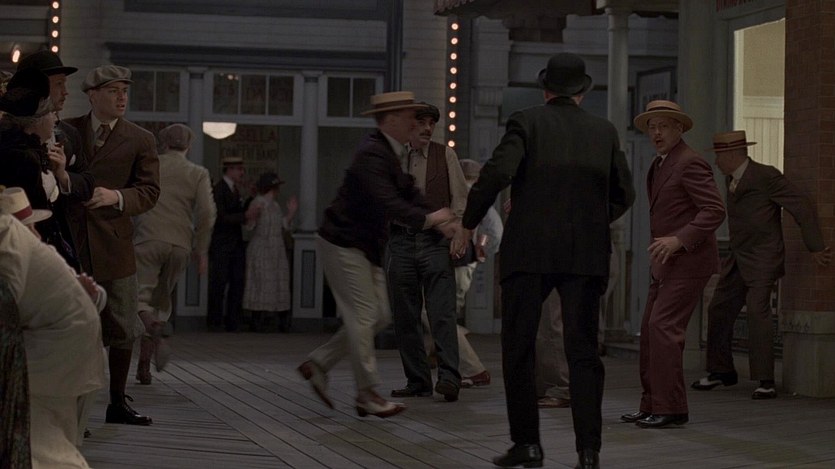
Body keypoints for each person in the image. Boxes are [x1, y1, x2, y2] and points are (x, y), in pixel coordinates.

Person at [455, 53, 634, 469]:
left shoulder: (527, 121)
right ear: (582, 92)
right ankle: (588, 451)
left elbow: (496, 173)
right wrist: (592, 219)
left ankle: (528, 444)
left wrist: (468, 222)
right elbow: (624, 193)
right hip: (585, 254)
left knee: (519, 347)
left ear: (546, 89)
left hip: (530, 250)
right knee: (583, 351)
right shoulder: (604, 131)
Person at [297, 91, 457, 418]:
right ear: (392, 120)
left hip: (363, 246)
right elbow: (390, 202)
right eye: (410, 117)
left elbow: (409, 191)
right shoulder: (372, 154)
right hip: (342, 242)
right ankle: (367, 392)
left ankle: (319, 363)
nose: (416, 123)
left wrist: (440, 217)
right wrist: (432, 220)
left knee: (381, 314)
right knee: (365, 315)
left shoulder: (389, 151)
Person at [692, 130, 832, 399]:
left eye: (719, 156)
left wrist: (815, 246)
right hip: (738, 256)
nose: (716, 162)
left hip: (763, 256)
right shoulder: (730, 179)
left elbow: (800, 204)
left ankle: (765, 380)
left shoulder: (765, 175)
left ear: (732, 154)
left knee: (758, 311)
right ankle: (721, 371)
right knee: (719, 308)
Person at [620, 100, 726, 430]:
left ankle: (670, 407)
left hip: (689, 262)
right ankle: (654, 404)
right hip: (666, 263)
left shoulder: (690, 162)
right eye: (652, 127)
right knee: (651, 331)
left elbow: (714, 210)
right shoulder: (660, 163)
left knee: (662, 328)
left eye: (663, 126)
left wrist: (679, 239)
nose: (656, 133)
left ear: (679, 128)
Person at [65, 64, 160, 426]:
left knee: (123, 324)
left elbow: (149, 191)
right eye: (113, 91)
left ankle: (117, 401)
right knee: (76, 325)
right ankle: (73, 410)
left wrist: (116, 197)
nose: (121, 98)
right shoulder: (68, 129)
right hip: (71, 241)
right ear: (92, 96)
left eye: (125, 91)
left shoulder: (139, 139)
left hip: (114, 243)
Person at [1, 188, 106, 469]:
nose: (35, 234)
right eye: (31, 227)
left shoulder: (9, 237)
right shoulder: (36, 250)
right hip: (65, 342)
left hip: (57, 344)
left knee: (38, 429)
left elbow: (7, 303)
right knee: (49, 425)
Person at [387, 102, 467, 403]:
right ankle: (418, 380)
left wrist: (458, 232)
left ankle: (449, 378)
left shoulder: (444, 155)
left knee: (441, 313)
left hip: (434, 241)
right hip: (401, 240)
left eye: (431, 123)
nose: (427, 128)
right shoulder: (394, 157)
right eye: (421, 122)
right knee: (405, 315)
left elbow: (460, 199)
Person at [132, 123, 216, 385]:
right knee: (161, 301)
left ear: (164, 144)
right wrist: (201, 249)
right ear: (188, 146)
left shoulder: (150, 166)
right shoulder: (198, 173)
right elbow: (207, 213)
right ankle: (144, 367)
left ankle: (153, 330)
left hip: (148, 239)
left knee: (138, 299)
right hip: (180, 245)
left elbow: (133, 198)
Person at [17, 49, 96, 270]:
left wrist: (63, 175)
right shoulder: (11, 136)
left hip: (62, 242)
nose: (66, 92)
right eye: (59, 84)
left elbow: (88, 183)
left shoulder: (69, 134)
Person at [0, 68, 78, 266]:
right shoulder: (22, 158)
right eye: (51, 113)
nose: (55, 119)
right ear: (37, 120)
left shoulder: (31, 151)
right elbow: (35, 221)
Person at [242, 171, 297, 332]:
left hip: (276, 248)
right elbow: (249, 226)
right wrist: (253, 215)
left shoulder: (275, 205)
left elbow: (281, 225)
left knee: (278, 282)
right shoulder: (258, 202)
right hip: (262, 247)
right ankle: (257, 321)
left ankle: (280, 320)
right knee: (260, 282)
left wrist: (291, 213)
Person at [208, 156, 253, 332]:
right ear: (230, 169)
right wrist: (244, 216)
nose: (242, 173)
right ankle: (215, 320)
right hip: (222, 244)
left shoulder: (234, 190)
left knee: (237, 282)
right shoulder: (219, 190)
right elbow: (221, 217)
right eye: (239, 169)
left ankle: (232, 320)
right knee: (219, 283)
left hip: (234, 244)